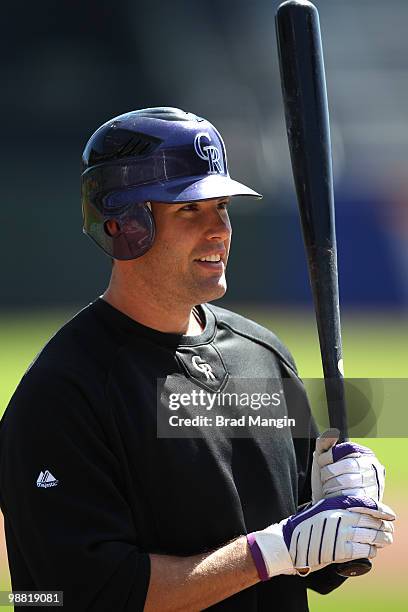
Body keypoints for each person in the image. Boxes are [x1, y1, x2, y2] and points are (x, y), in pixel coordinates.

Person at [0, 107, 395, 611]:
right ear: (124, 224)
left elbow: (304, 554)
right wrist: (272, 550)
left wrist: (337, 511)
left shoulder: (263, 356)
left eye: (223, 208)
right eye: (190, 210)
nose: (219, 230)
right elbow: (77, 597)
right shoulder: (63, 394)